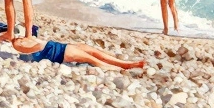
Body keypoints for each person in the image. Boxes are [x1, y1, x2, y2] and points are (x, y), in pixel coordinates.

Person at [10, 36, 145, 71]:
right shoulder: (28, 50)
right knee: (92, 59)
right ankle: (118, 68)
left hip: (64, 47)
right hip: (62, 52)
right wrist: (17, 43)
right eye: (19, 41)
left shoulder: (32, 43)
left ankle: (125, 64)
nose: (21, 40)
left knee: (94, 52)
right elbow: (23, 49)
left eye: (20, 39)